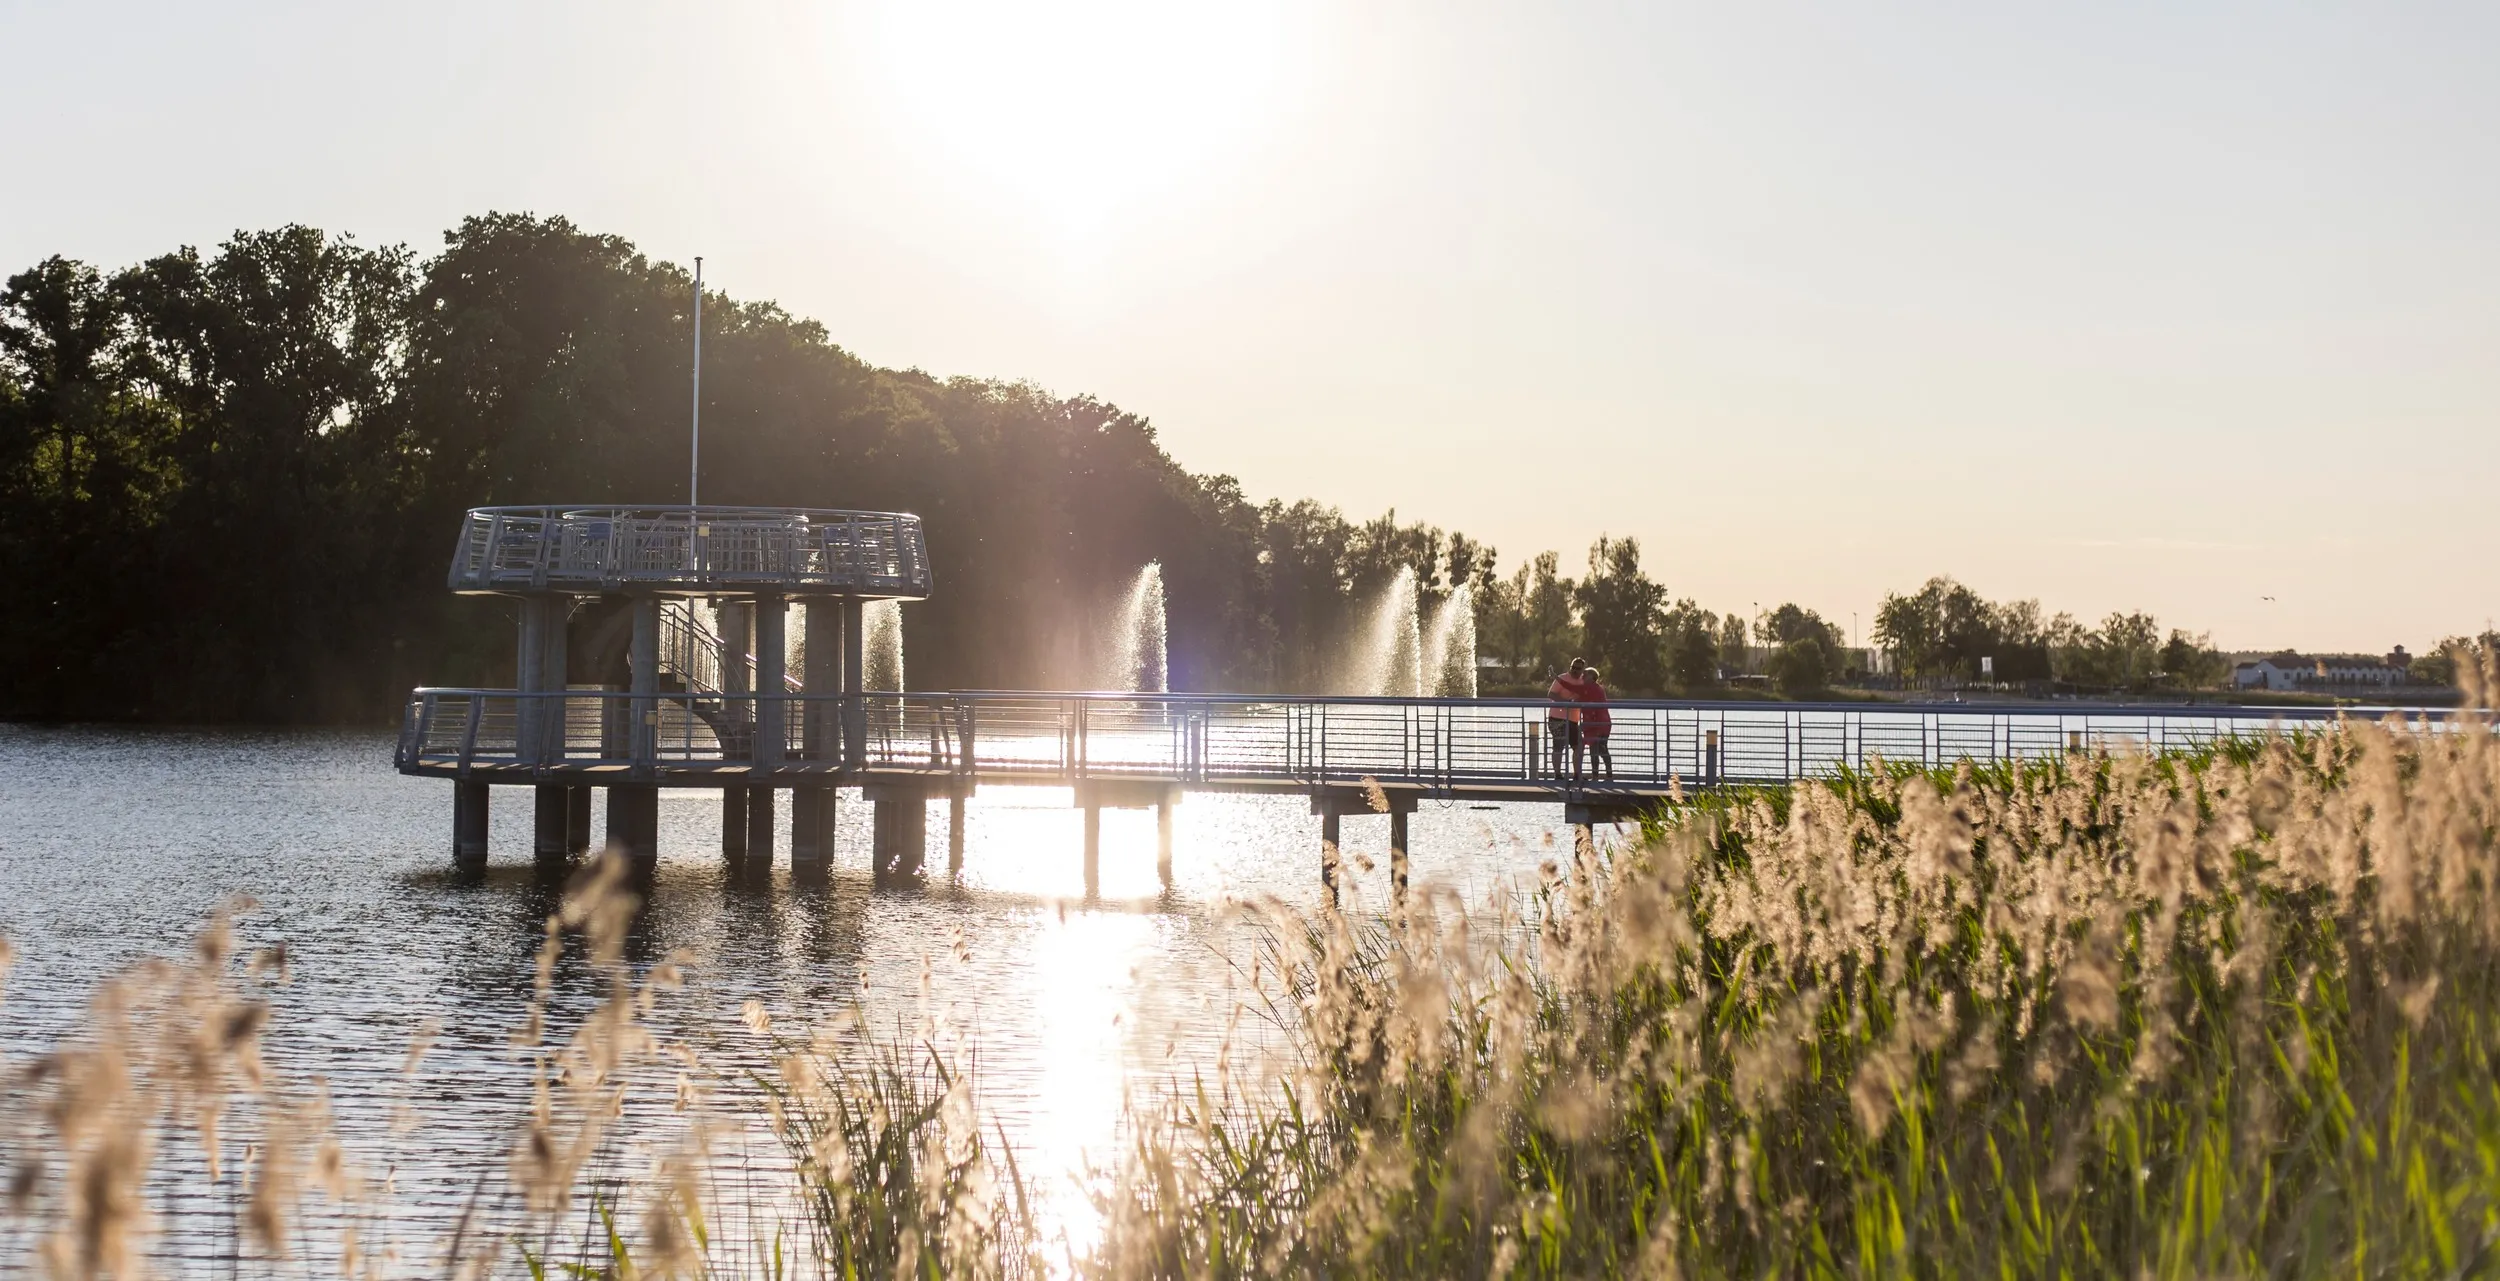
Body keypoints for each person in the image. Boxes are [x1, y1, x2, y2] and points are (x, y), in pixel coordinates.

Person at [1546, 658, 1587, 779]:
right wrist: (1566, 702)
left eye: (1577, 668)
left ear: (1582, 670)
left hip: (1574, 720)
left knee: (1578, 746)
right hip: (1557, 718)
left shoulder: (1584, 681)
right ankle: (1558, 774)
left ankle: (1577, 774)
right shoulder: (1562, 678)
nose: (1574, 670)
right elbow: (1551, 694)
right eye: (1572, 667)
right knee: (1558, 746)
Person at [1579, 666, 1614, 781]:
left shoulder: (1593, 688)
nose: (1583, 676)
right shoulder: (1596, 688)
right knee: (1601, 749)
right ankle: (1607, 775)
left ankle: (1597, 776)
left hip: (1597, 723)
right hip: (1601, 723)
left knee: (1597, 750)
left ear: (1592, 677)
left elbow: (1589, 703)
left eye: (1586, 674)